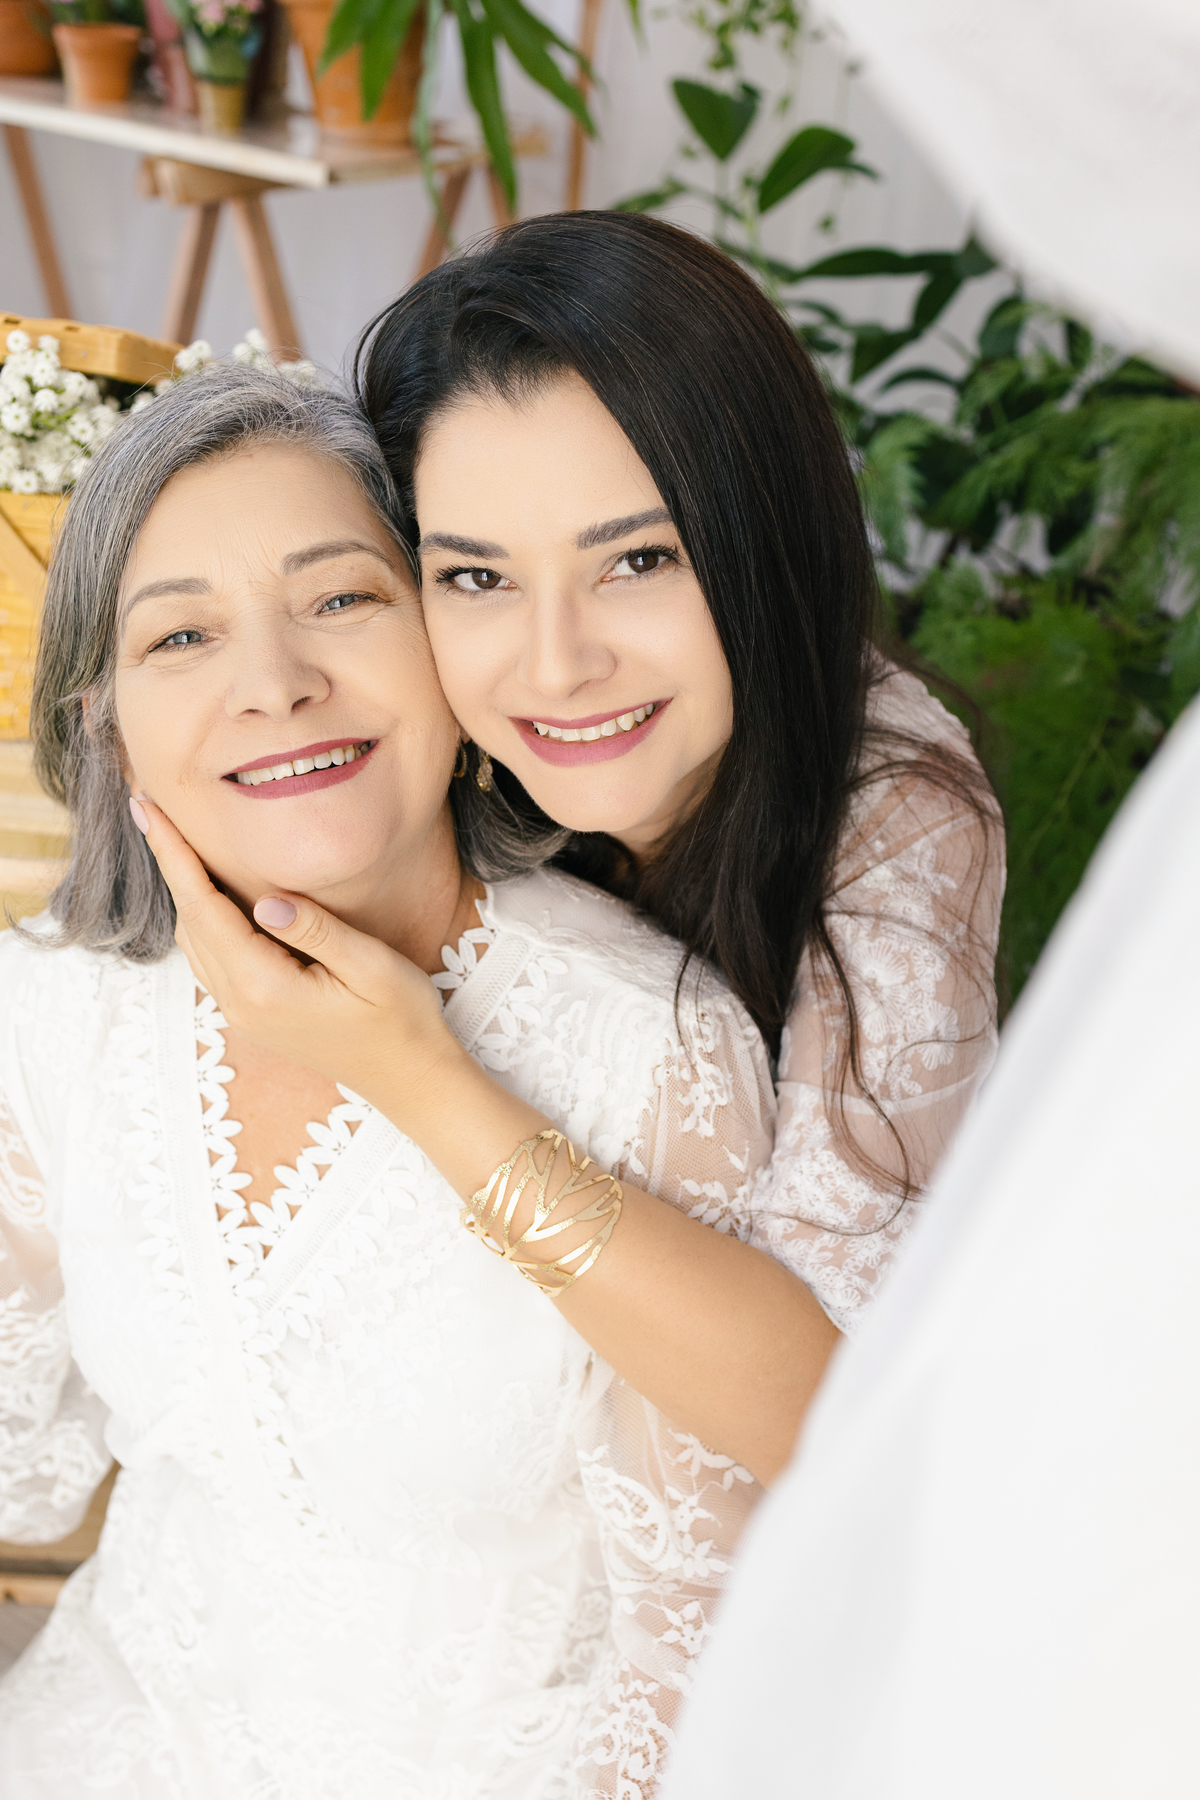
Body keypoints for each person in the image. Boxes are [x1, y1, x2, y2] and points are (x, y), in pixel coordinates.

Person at [0, 361, 788, 1797]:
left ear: (448, 642)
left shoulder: (653, 1049)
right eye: (182, 636)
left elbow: (702, 1644)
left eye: (342, 600)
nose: (276, 683)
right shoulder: (57, 1014)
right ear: (108, 729)